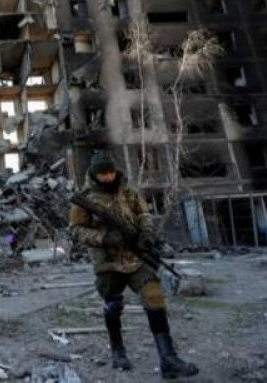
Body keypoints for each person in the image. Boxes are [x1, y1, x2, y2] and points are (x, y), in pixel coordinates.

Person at [69, 151, 199, 379]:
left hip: (136, 257)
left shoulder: (128, 192)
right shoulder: (85, 200)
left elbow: (143, 214)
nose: (108, 177)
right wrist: (104, 238)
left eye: (110, 172)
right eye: (103, 173)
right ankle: (118, 351)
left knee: (154, 297)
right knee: (113, 305)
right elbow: (76, 231)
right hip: (108, 263)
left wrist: (146, 234)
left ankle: (168, 359)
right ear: (94, 174)